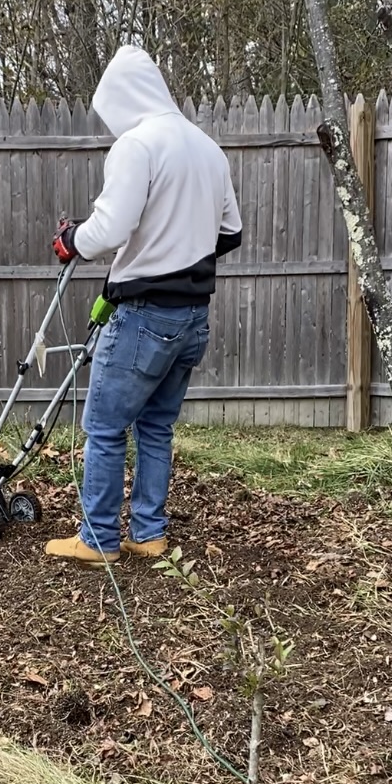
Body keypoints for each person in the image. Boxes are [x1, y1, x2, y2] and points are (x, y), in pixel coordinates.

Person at [45, 45, 242, 565]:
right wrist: (180, 247)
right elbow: (230, 232)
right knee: (156, 427)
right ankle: (149, 533)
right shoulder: (207, 149)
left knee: (105, 427)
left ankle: (98, 539)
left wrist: (71, 239)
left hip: (143, 317)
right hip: (193, 318)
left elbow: (110, 230)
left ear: (122, 98)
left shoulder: (137, 145)